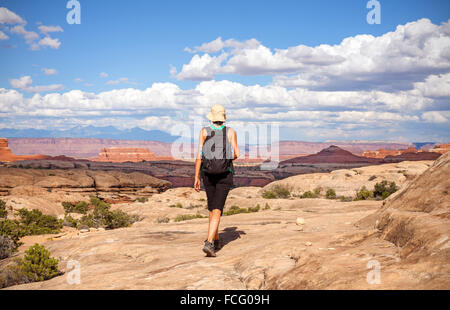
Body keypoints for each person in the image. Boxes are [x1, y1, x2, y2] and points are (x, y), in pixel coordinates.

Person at [194, 104, 240, 257]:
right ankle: (209, 242)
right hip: (224, 174)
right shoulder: (230, 132)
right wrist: (225, 159)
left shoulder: (204, 131)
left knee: (212, 206)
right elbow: (237, 153)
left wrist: (196, 177)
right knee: (217, 208)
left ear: (212, 117)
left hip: (207, 173)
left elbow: (199, 156)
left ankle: (216, 238)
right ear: (223, 117)